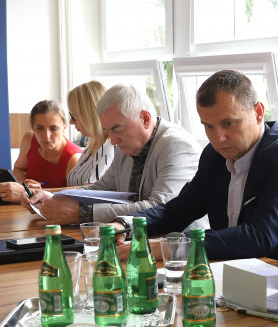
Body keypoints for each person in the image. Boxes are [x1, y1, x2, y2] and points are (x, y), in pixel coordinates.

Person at [120, 70, 278, 262]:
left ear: (258, 112)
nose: (218, 138)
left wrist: (170, 247)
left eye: (228, 123)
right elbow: (177, 211)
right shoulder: (214, 156)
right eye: (209, 126)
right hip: (237, 270)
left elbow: (259, 236)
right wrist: (124, 225)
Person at [28, 84, 201, 225]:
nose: (112, 140)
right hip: (137, 241)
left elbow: (160, 208)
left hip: (181, 249)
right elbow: (100, 189)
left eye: (117, 129)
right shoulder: (126, 145)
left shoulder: (176, 146)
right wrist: (54, 199)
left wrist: (81, 214)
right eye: (108, 130)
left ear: (145, 119)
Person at [0, 100, 82, 203]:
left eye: (54, 129)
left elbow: (71, 199)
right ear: (32, 128)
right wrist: (24, 184)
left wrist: (35, 192)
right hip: (26, 205)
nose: (46, 136)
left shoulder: (74, 157)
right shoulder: (29, 139)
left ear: (64, 128)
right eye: (39, 128)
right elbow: (18, 169)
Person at [66, 81, 115, 186]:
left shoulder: (108, 148)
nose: (71, 122)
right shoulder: (91, 146)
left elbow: (89, 190)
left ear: (89, 115)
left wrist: (45, 192)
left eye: (73, 116)